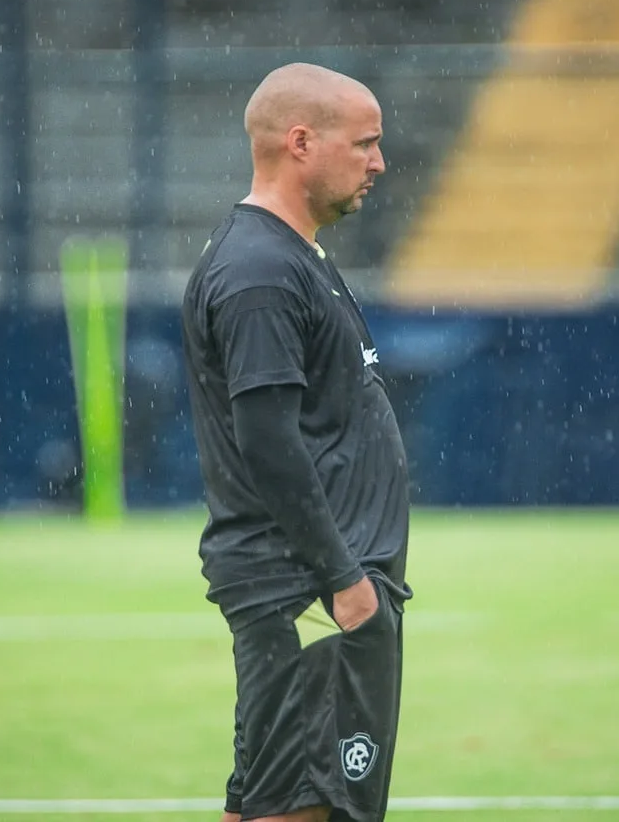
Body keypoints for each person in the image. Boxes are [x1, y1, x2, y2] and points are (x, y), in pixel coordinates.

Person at [180, 62, 412, 822]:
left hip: (313, 590)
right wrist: (345, 582)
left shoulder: (287, 254)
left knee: (274, 802)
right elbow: (269, 443)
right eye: (366, 144)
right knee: (306, 808)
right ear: (301, 142)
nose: (379, 162)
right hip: (310, 592)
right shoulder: (260, 273)